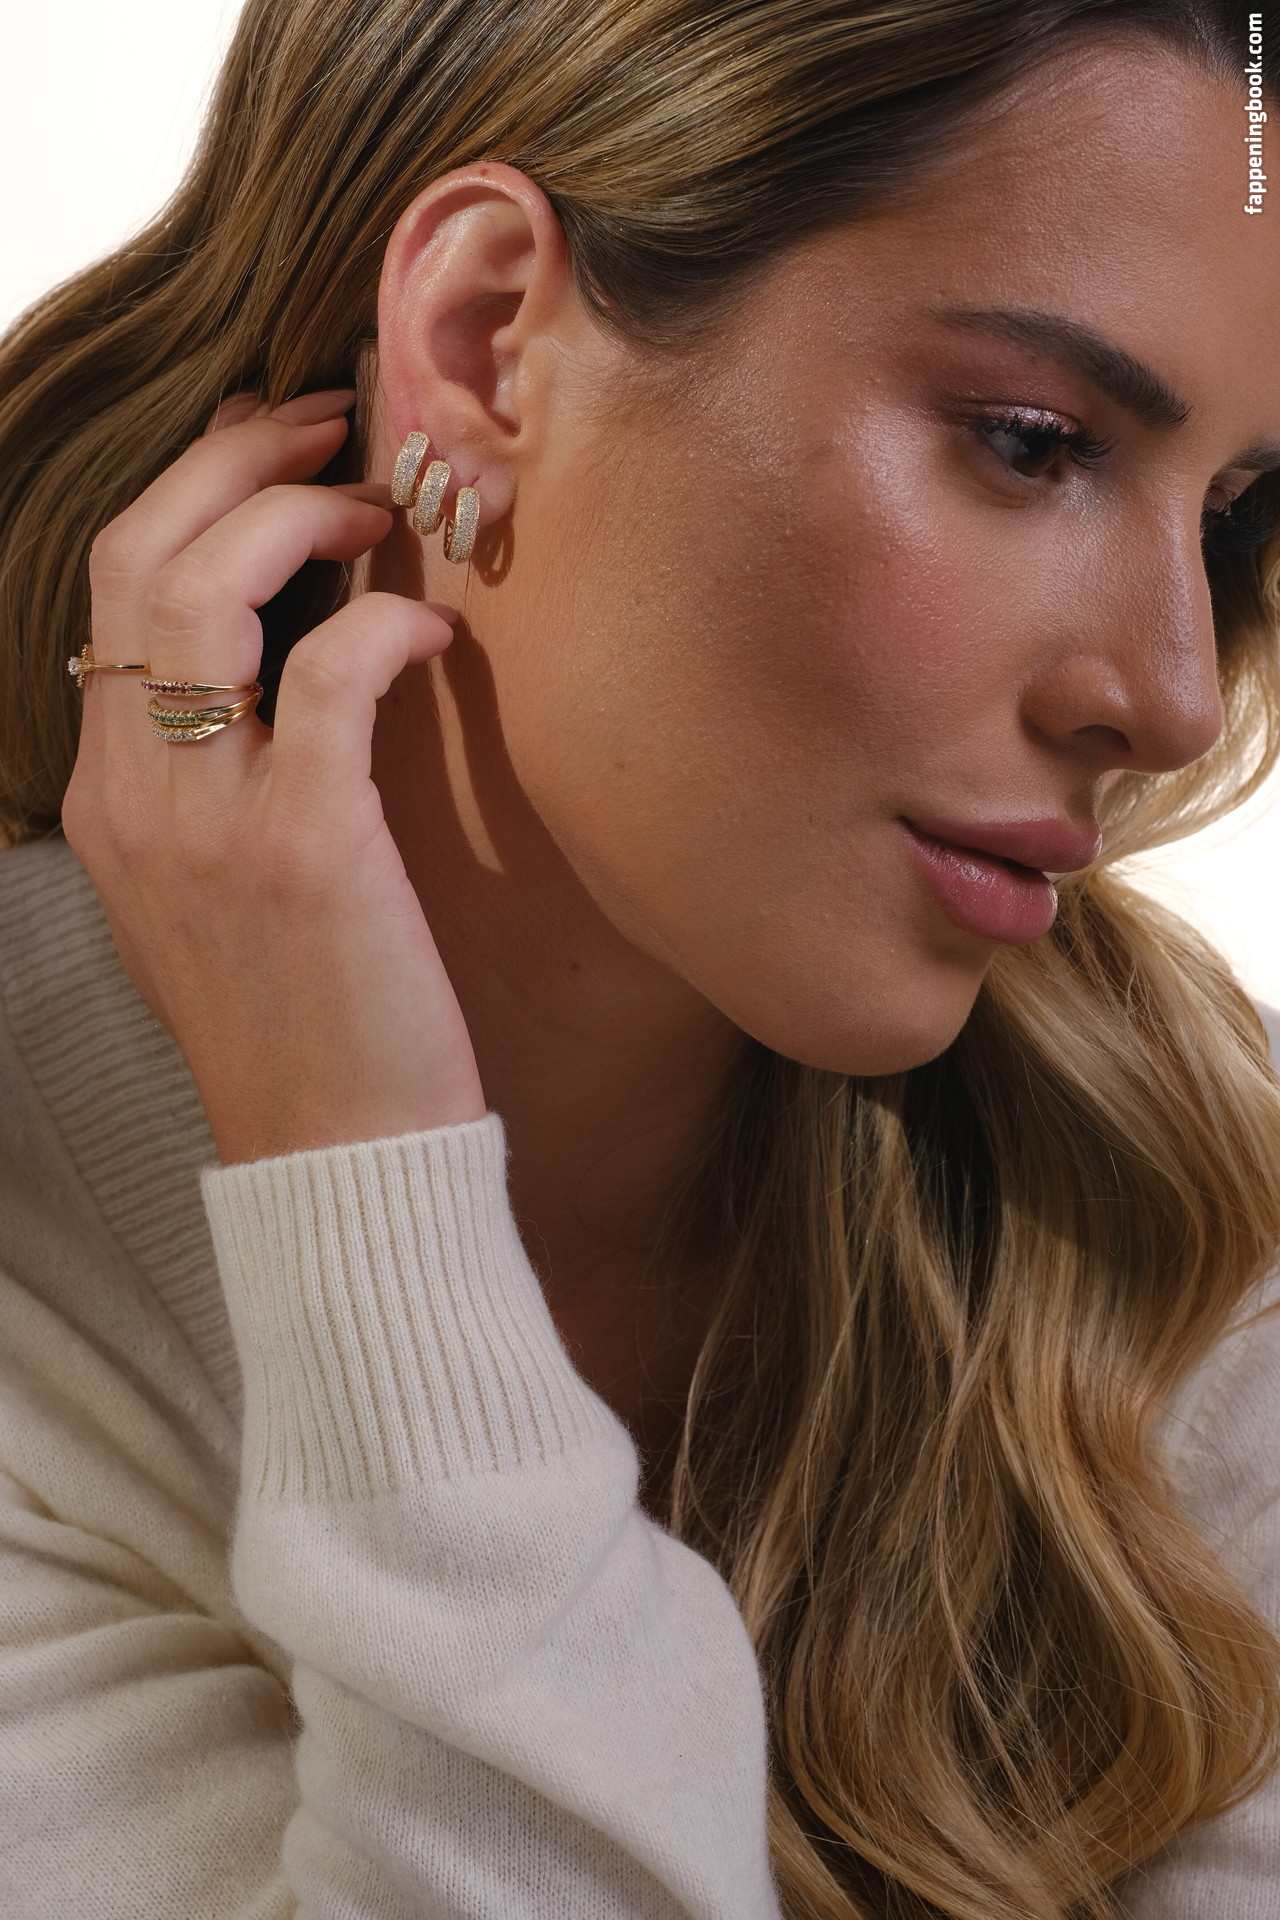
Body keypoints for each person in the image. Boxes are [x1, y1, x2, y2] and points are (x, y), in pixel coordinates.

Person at [0, 0, 1278, 1913]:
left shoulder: (1195, 1215)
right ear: (481, 343)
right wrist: (364, 1183)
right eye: (1033, 444)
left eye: (1238, 519)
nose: (1173, 696)